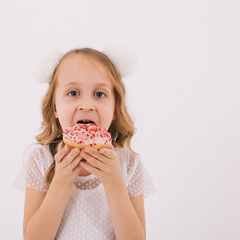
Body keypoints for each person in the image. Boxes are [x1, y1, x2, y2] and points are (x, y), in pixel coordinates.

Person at [13, 47, 156, 240]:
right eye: (73, 93)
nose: (87, 105)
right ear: (54, 107)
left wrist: (114, 182)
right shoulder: (41, 160)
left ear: (115, 108)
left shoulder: (129, 165)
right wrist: (61, 182)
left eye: (99, 94)